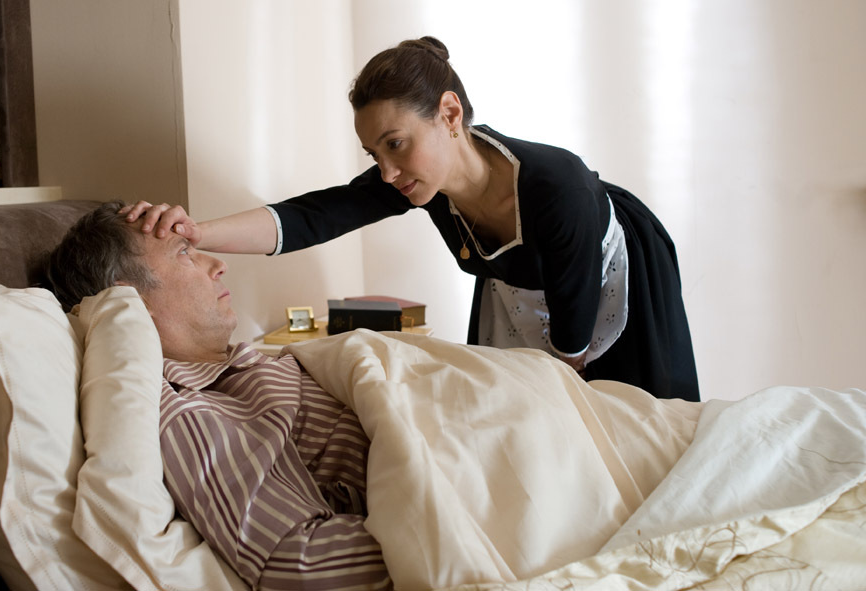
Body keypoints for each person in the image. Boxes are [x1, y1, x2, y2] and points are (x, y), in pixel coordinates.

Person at [124, 36, 699, 401]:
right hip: (520, 291)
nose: (388, 170)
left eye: (396, 144)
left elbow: (573, 349)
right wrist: (196, 231)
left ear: (450, 113)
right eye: (375, 155)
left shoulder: (557, 187)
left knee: (631, 418)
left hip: (610, 278)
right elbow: (313, 216)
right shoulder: (422, 181)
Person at [47, 201, 392, 591]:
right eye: (184, 252)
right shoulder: (193, 409)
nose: (218, 265)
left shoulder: (240, 370)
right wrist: (462, 533)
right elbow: (302, 562)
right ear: (133, 301)